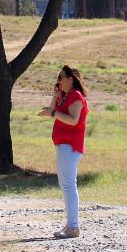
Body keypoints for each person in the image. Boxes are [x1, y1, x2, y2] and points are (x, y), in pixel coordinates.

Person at [38, 64, 89, 239]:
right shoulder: (66, 97)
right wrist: (55, 97)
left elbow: (73, 120)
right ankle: (70, 225)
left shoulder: (75, 95)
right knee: (66, 185)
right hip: (63, 145)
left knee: (68, 185)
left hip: (70, 145)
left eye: (60, 77)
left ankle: (73, 227)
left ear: (69, 79)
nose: (58, 80)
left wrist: (53, 112)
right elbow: (54, 110)